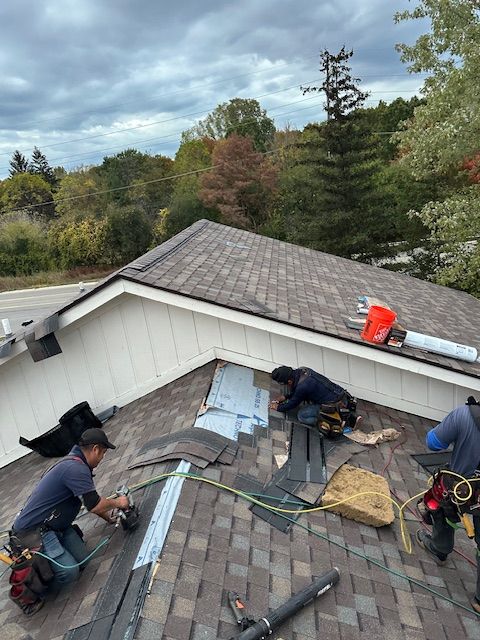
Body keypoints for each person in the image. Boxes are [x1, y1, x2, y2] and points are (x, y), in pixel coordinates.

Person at [11, 428, 129, 592]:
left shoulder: (77, 464)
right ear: (95, 449)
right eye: (102, 453)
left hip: (57, 526)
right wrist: (119, 502)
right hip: (33, 533)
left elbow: (91, 501)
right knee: (70, 572)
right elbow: (94, 504)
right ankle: (38, 578)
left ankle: (58, 554)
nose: (102, 458)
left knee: (84, 560)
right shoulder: (75, 469)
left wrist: (108, 517)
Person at [415, 398, 480, 612]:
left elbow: (434, 443)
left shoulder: (464, 415)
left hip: (463, 489)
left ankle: (439, 548)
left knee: (442, 498)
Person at [269, 365, 358, 430]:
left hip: (334, 404)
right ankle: (345, 414)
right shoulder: (304, 371)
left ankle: (335, 421)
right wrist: (284, 397)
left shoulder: (303, 386)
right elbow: (297, 391)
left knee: (302, 415)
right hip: (341, 395)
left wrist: (278, 407)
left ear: (289, 381)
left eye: (285, 384)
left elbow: (292, 404)